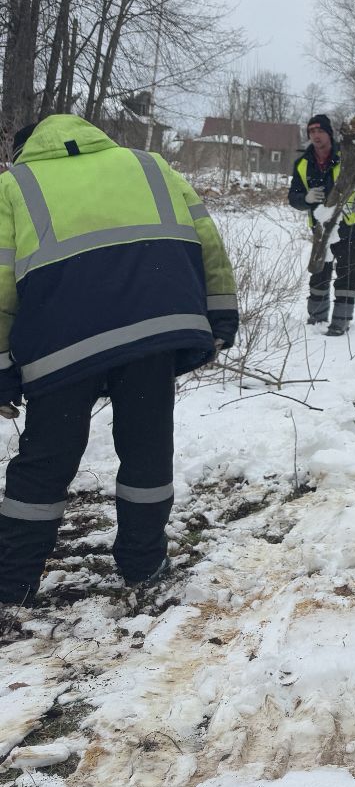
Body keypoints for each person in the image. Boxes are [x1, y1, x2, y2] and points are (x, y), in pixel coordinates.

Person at [0, 114, 237, 605]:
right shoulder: (149, 165)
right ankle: (144, 563)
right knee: (148, 447)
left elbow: (0, 283)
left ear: (24, 151)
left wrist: (1, 367)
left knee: (47, 459)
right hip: (151, 333)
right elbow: (208, 244)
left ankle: (12, 584)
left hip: (61, 343)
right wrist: (220, 315)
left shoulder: (13, 185)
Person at [288, 114, 355, 336]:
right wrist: (305, 199)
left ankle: (341, 321)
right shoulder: (303, 164)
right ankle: (317, 318)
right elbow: (293, 196)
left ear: (329, 133)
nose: (316, 136)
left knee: (347, 276)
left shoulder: (349, 155)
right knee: (319, 274)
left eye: (320, 131)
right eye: (311, 132)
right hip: (321, 228)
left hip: (350, 226)